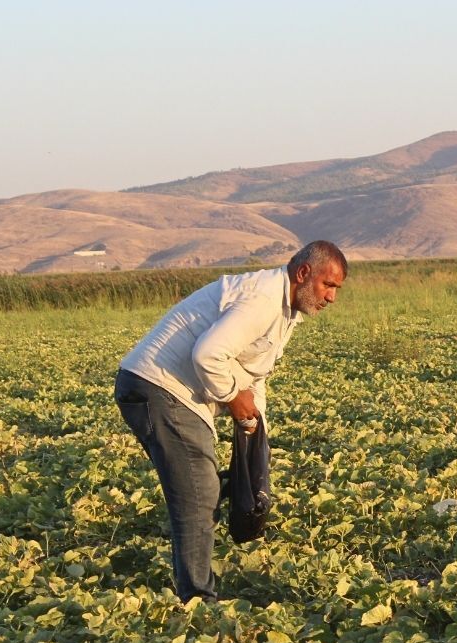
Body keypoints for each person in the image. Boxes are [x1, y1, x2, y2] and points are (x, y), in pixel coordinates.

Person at [114, 240, 347, 602]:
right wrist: (233, 397)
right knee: (198, 495)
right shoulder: (263, 299)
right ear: (303, 273)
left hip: (165, 391)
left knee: (201, 487)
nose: (331, 297)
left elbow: (255, 374)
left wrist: (255, 430)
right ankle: (198, 601)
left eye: (336, 289)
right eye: (328, 285)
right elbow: (208, 355)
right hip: (158, 387)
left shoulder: (284, 309)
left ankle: (215, 503)